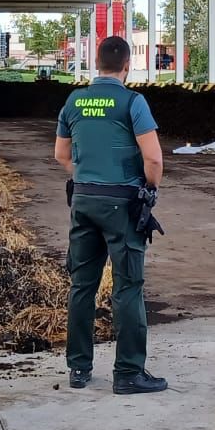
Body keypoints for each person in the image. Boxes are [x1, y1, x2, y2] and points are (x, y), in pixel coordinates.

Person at [55, 33, 168, 394]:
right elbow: (153, 158)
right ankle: (128, 373)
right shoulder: (133, 102)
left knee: (82, 286)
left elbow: (61, 155)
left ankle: (78, 369)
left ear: (96, 64)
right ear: (126, 65)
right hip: (122, 204)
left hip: (84, 201)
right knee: (127, 288)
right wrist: (149, 189)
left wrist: (87, 177)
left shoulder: (74, 100)